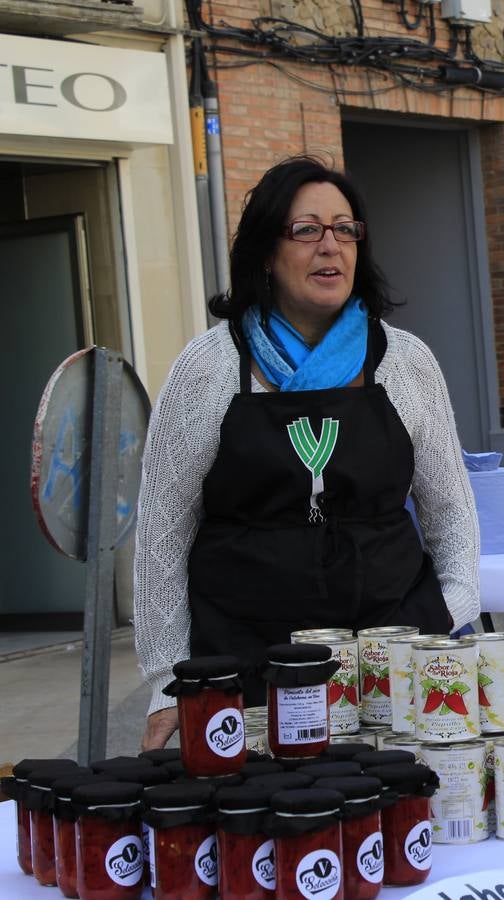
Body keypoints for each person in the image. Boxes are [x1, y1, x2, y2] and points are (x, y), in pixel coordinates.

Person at [134, 156, 480, 749]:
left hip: (389, 653)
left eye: (345, 229)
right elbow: (162, 531)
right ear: (267, 251)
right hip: (244, 658)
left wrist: (449, 608)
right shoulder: (210, 367)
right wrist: (169, 679)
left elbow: (450, 507)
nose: (331, 246)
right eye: (307, 230)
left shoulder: (406, 361)